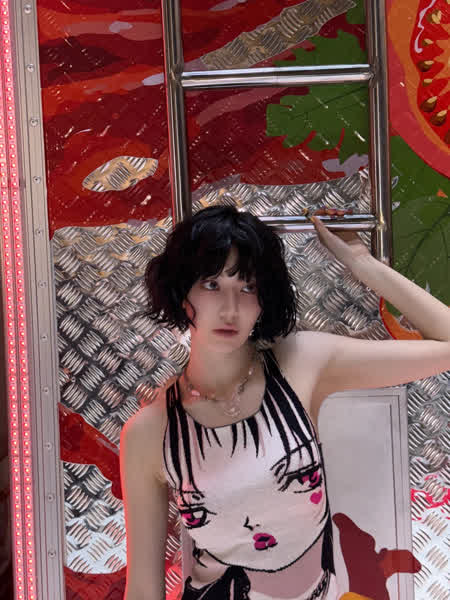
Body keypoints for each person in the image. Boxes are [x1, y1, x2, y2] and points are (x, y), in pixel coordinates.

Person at [120, 205, 450, 600]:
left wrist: (363, 265)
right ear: (181, 292)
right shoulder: (149, 432)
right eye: (211, 284)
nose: (230, 308)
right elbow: (143, 590)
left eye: (248, 287)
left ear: (265, 300)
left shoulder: (300, 364)